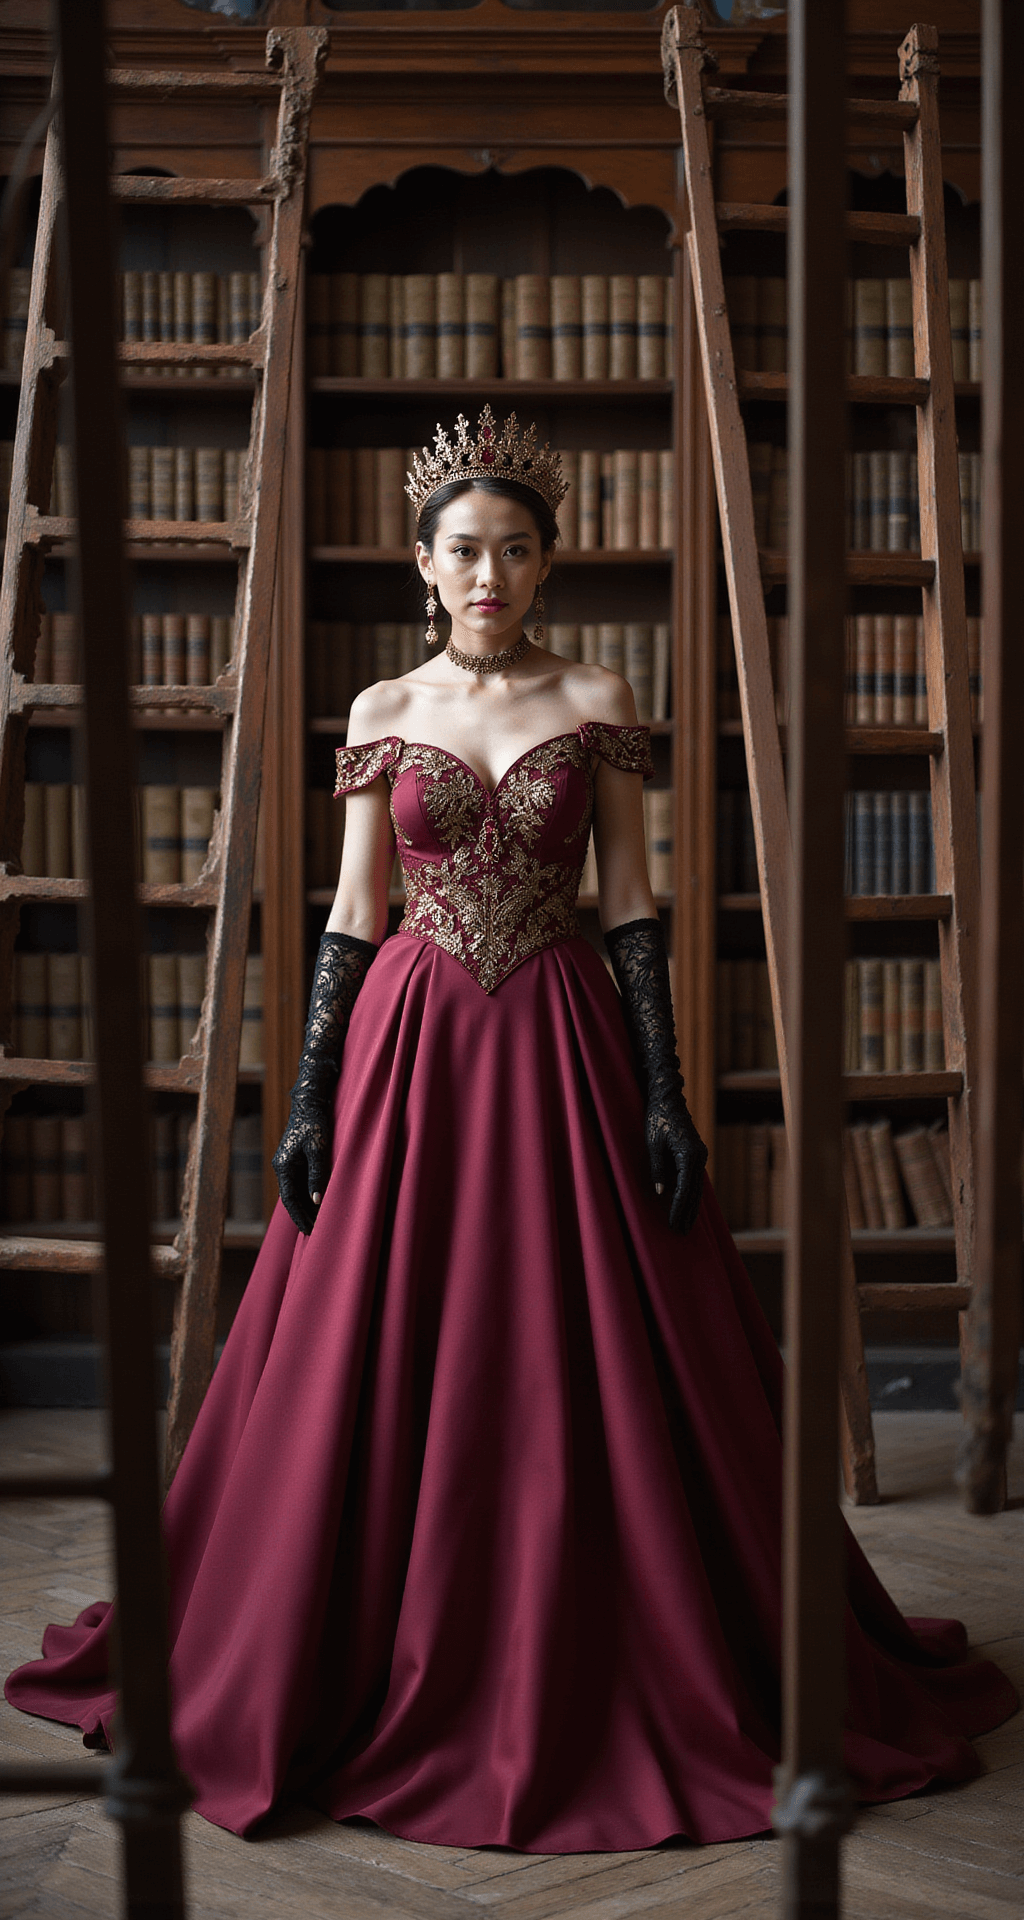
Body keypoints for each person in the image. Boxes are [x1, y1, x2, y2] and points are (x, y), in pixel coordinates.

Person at [6, 406, 1017, 1851]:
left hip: (561, 1039)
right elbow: (357, 910)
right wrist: (308, 1097)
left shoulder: (597, 698)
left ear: (549, 567)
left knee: (588, 1336)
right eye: (466, 552)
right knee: (375, 1333)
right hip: (413, 1043)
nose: (491, 574)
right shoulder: (378, 712)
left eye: (517, 553)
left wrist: (664, 1093)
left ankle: (612, 1647)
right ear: (426, 564)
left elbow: (629, 904)